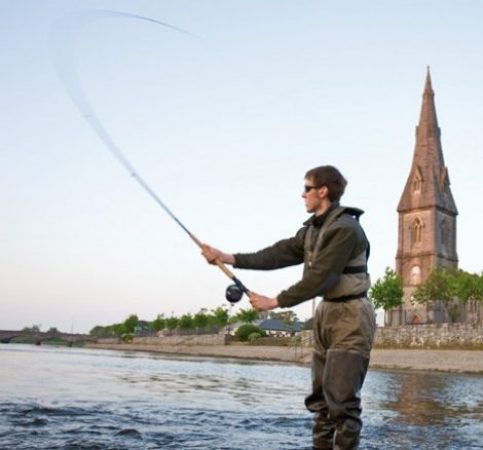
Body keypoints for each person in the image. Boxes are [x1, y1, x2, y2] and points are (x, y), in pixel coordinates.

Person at [201, 165, 376, 450]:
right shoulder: (311, 231)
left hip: (351, 315)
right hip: (325, 313)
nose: (302, 194)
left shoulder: (346, 229)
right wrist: (228, 257)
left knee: (342, 402)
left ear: (323, 191)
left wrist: (275, 302)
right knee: (320, 401)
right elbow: (276, 254)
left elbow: (321, 277)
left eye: (307, 188)